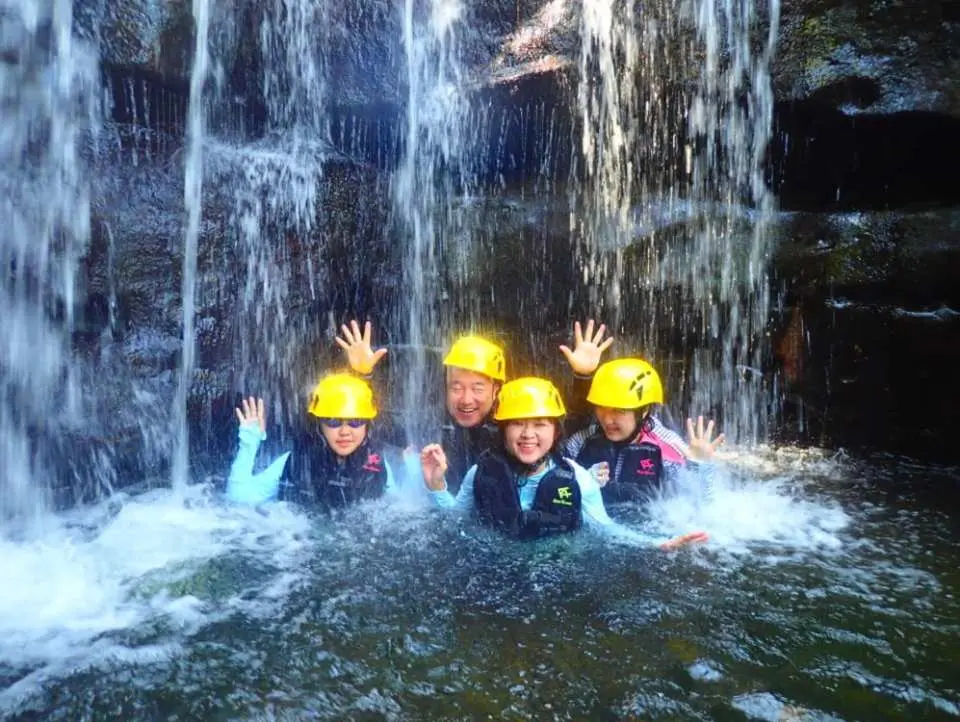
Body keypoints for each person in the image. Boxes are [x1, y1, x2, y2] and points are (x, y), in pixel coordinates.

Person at [418, 376, 708, 550]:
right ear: (503, 430)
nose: (528, 435)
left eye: (540, 425)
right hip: (494, 571)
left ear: (555, 432)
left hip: (554, 571)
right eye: (517, 424)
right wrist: (437, 486)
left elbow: (606, 528)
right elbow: (455, 518)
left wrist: (659, 544)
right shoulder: (480, 472)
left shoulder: (578, 479)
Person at [339, 320, 506, 493]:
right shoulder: (433, 422)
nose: (466, 399)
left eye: (477, 388)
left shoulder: (511, 431)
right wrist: (363, 375)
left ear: (496, 389)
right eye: (456, 388)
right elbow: (377, 427)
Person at [560, 340, 725, 504]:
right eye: (601, 408)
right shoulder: (583, 439)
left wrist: (699, 465)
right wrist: (582, 376)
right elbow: (552, 472)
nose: (607, 419)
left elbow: (698, 505)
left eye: (619, 410)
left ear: (644, 411)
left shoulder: (665, 448)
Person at [226, 373, 398, 510]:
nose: (345, 432)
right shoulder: (296, 461)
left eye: (355, 421)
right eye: (333, 421)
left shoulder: (377, 463)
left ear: (367, 425)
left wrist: (417, 471)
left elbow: (398, 508)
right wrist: (250, 441)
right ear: (319, 425)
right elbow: (239, 498)